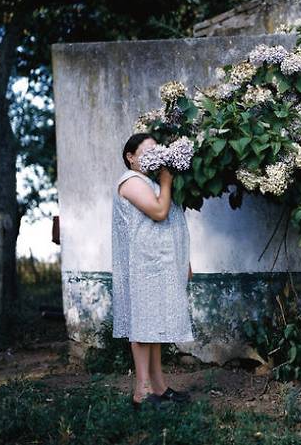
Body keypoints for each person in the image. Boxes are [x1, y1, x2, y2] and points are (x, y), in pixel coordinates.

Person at [112, 133, 194, 410]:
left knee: (155, 328)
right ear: (131, 157)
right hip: (143, 265)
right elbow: (159, 212)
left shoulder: (148, 181)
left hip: (158, 263)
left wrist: (183, 261)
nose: (152, 156)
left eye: (155, 151)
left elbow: (168, 224)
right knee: (143, 327)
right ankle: (142, 392)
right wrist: (167, 181)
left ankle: (158, 386)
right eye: (146, 152)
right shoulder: (131, 181)